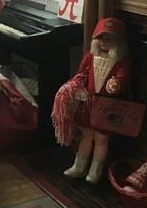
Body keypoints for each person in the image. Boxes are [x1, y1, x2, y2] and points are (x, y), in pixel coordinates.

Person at [52, 17, 130, 184]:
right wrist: (76, 87)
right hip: (88, 104)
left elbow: (123, 79)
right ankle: (79, 166)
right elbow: (81, 74)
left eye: (109, 39)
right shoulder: (89, 57)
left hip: (108, 107)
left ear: (118, 42)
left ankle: (95, 171)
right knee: (86, 135)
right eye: (101, 38)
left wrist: (116, 84)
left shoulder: (121, 63)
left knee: (102, 139)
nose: (104, 42)